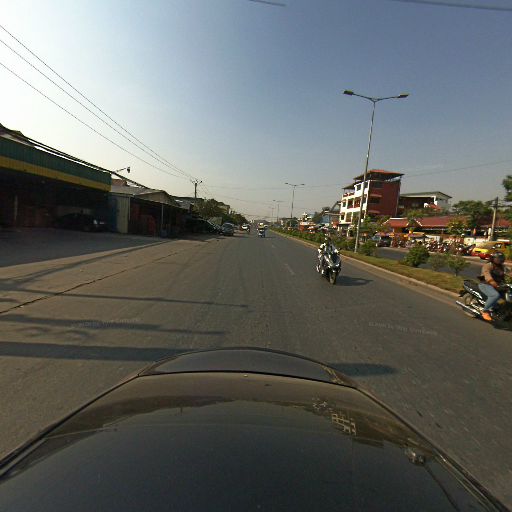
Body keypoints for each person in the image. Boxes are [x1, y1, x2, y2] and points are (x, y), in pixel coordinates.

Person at [479, 251, 506, 322]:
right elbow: (486, 275)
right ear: (493, 258)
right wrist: (492, 282)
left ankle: (499, 310)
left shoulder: (502, 267)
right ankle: (485, 311)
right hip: (485, 284)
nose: (500, 260)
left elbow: (509, 273)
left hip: (498, 285)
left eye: (501, 258)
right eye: (498, 258)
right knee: (495, 295)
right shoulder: (488, 265)